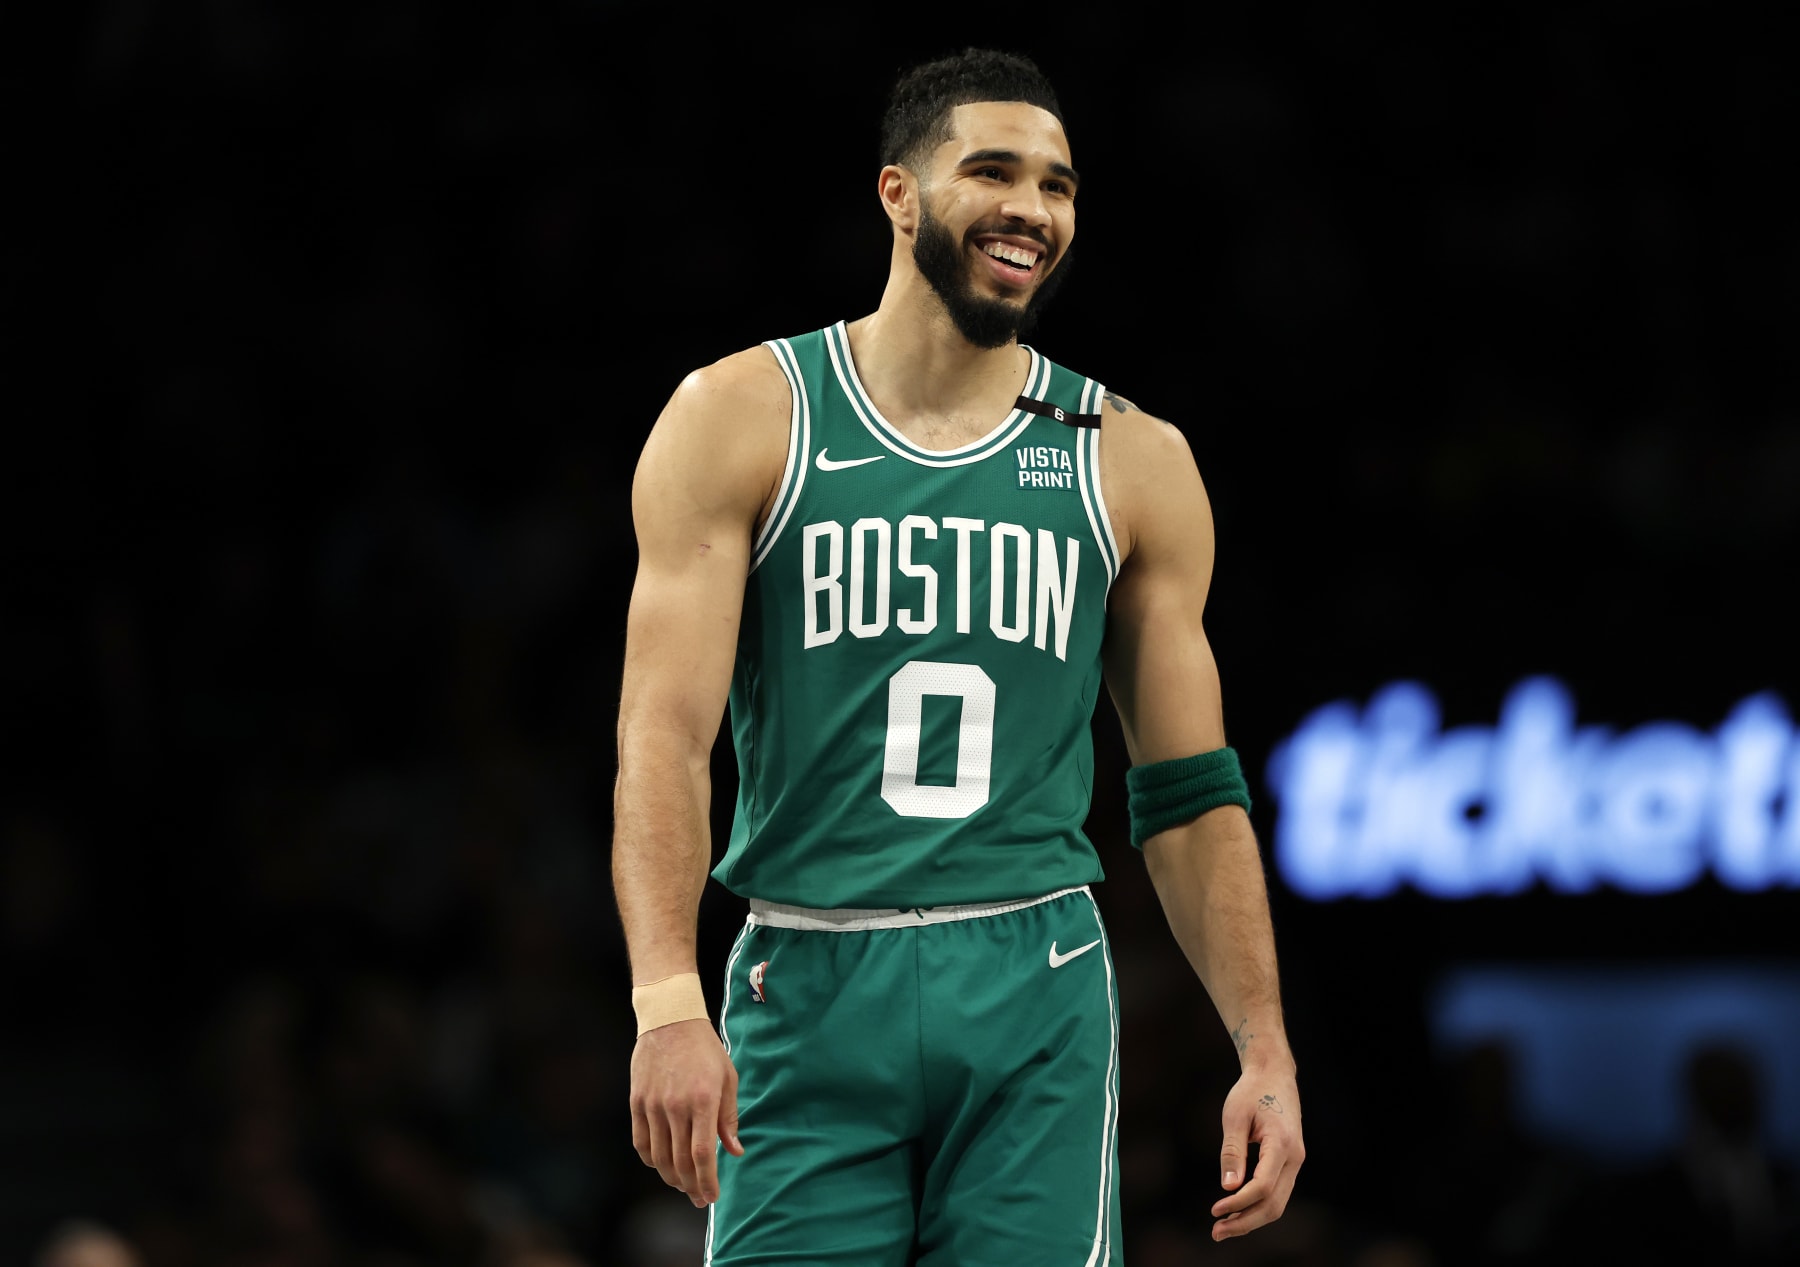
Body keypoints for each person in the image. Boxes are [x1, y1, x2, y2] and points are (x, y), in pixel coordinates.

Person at [613, 47, 1304, 1264]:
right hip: (809, 967)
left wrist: (1264, 1046)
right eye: (993, 171)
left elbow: (1189, 792)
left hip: (1032, 973)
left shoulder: (1131, 457)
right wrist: (666, 997)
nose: (1033, 209)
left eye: (1059, 185)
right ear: (898, 193)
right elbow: (664, 737)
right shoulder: (741, 414)